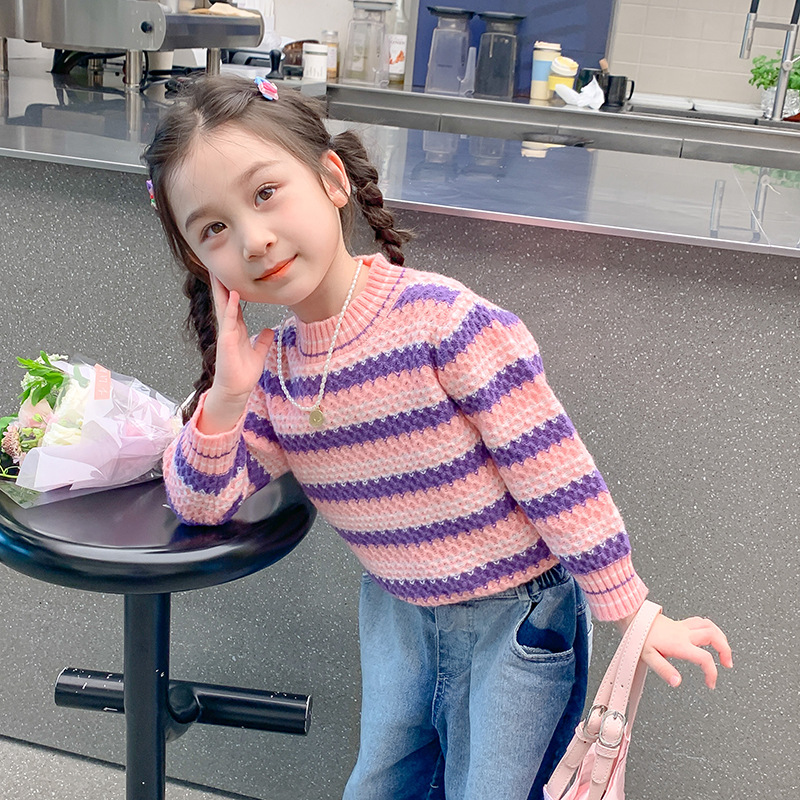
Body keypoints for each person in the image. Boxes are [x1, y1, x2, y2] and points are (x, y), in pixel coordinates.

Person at [144, 74, 732, 800]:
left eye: (265, 193)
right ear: (201, 262)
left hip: (517, 620)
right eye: (213, 229)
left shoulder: (444, 322)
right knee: (383, 785)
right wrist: (227, 396)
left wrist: (631, 610)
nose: (253, 239)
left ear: (332, 180)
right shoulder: (273, 376)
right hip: (397, 617)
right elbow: (201, 503)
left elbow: (553, 471)